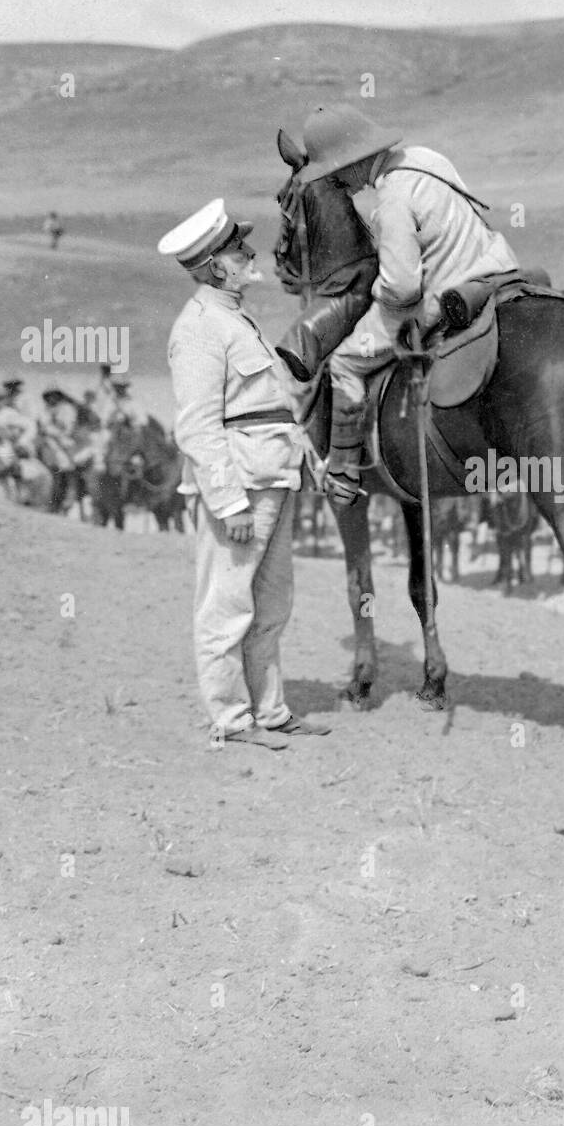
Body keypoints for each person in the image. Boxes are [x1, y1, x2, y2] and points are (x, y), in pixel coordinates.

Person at [159, 197, 330, 751]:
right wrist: (228, 502)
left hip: (274, 478)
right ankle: (232, 720)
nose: (249, 254)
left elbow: (273, 404)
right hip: (243, 487)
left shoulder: (236, 319)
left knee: (272, 602)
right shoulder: (200, 330)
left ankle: (271, 710)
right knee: (227, 605)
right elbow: (199, 426)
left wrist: (309, 458)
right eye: (237, 249)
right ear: (214, 267)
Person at [300, 105, 521, 506]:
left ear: (351, 162)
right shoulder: (429, 160)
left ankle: (344, 470)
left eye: (335, 170)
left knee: (345, 361)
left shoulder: (391, 201)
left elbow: (402, 288)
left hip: (442, 295)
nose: (336, 180)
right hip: (495, 273)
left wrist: (375, 297)